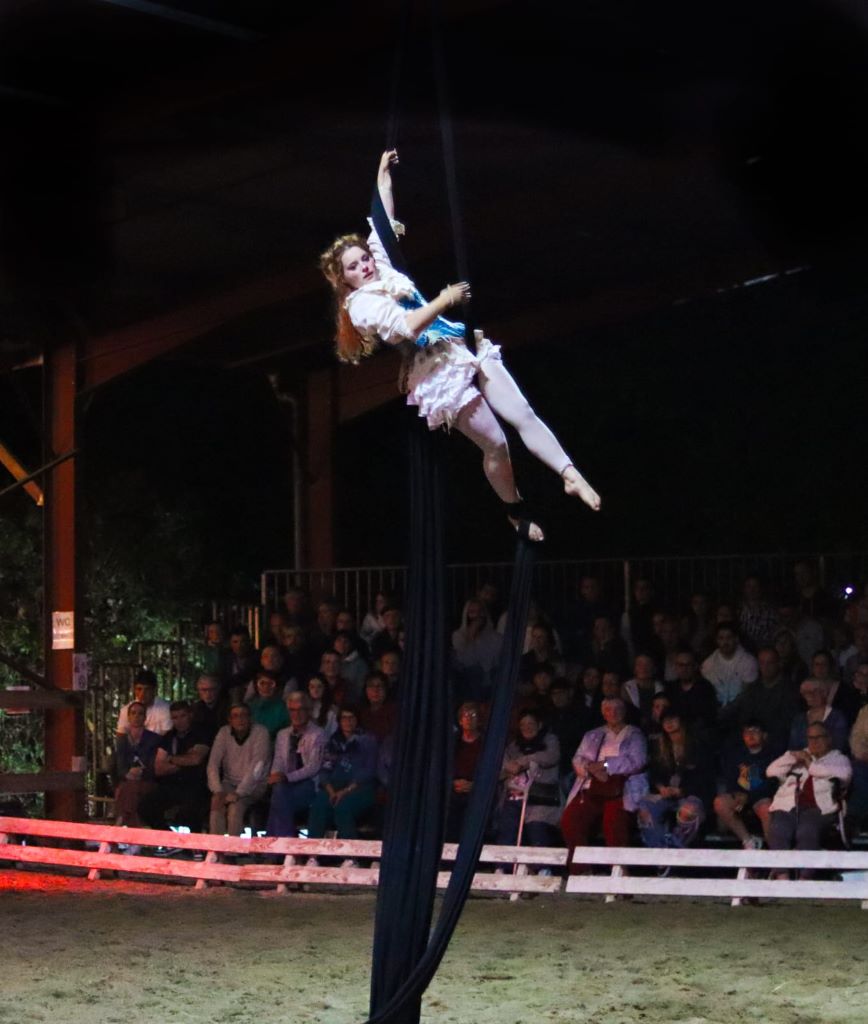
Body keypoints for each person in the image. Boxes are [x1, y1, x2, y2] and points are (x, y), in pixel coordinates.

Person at [318, 149, 601, 541]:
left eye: (364, 258)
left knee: (523, 413)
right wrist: (444, 300)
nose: (364, 266)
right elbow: (406, 325)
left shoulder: (382, 267)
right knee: (497, 444)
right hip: (435, 371)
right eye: (354, 266)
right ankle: (514, 511)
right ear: (344, 280)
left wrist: (383, 173)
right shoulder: (362, 305)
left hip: (459, 344)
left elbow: (381, 217)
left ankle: (570, 474)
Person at [560, 698, 648, 873]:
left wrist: (606, 765)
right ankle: (581, 871)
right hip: (592, 785)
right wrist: (590, 768)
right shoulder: (593, 734)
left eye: (617, 709)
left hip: (621, 788)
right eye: (608, 709)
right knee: (570, 820)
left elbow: (637, 761)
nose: (613, 713)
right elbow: (578, 758)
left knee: (613, 822)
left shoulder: (634, 734)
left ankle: (619, 871)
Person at [766, 723, 851, 878]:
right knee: (778, 830)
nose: (814, 742)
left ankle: (804, 878)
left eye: (819, 737)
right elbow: (771, 771)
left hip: (820, 808)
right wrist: (792, 758)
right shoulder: (799, 756)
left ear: (829, 739)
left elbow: (844, 775)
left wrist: (808, 762)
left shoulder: (838, 759)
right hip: (789, 805)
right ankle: (782, 877)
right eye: (811, 738)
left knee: (806, 831)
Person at [637, 712, 713, 849]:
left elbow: (704, 777)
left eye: (672, 719)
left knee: (688, 811)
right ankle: (658, 849)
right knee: (645, 806)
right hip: (667, 794)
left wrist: (681, 790)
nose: (669, 723)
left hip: (691, 794)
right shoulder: (660, 745)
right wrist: (661, 788)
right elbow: (654, 773)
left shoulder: (697, 745)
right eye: (665, 720)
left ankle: (674, 848)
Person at [307, 705, 379, 847]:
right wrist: (331, 791)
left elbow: (368, 771)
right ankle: (312, 852)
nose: (348, 721)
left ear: (357, 719)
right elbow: (325, 769)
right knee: (318, 805)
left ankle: (350, 854)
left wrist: (345, 791)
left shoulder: (368, 740)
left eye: (351, 718)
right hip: (334, 787)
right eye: (344, 718)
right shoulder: (334, 741)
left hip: (359, 787)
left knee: (343, 807)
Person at [139, 700, 211, 833]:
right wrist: (184, 760)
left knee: (190, 812)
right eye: (175, 717)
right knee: (145, 807)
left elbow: (196, 759)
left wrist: (171, 759)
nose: (179, 721)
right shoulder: (169, 737)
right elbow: (158, 768)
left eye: (183, 716)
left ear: (190, 715)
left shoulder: (201, 733)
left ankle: (194, 843)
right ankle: (168, 837)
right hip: (171, 785)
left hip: (196, 785)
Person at [266, 691, 326, 838]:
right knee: (278, 792)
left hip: (309, 784)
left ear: (308, 711)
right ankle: (285, 842)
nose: (296, 714)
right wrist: (275, 775)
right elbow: (278, 760)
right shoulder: (282, 734)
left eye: (300, 710)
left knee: (279, 799)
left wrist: (286, 777)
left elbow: (313, 767)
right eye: (292, 710)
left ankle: (276, 843)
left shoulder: (318, 734)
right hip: (285, 784)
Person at [206, 704, 271, 836]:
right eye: (235, 716)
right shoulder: (224, 733)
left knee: (235, 807)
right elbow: (213, 763)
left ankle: (233, 846)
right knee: (216, 802)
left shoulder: (261, 733)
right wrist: (217, 790)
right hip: (229, 782)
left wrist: (239, 793)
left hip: (255, 785)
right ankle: (215, 845)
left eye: (243, 715)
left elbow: (257, 768)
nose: (240, 719)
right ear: (230, 720)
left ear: (250, 718)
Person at [713, 721, 777, 849]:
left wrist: (749, 795)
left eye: (755, 731)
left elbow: (772, 783)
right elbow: (731, 779)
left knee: (766, 808)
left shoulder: (772, 755)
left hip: (762, 797)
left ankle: (773, 851)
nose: (751, 735)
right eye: (747, 732)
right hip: (740, 796)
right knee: (720, 803)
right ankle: (748, 841)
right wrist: (736, 793)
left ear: (764, 735)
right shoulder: (736, 755)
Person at [116, 669, 171, 736]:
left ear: (154, 690)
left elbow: (167, 737)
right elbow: (121, 737)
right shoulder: (126, 710)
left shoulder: (165, 709)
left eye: (147, 689)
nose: (142, 694)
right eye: (139, 689)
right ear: (134, 690)